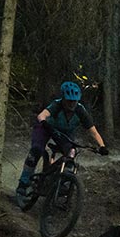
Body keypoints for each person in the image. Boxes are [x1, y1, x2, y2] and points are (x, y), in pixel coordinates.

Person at [16, 81, 107, 211]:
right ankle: (22, 185)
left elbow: (93, 131)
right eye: (69, 101)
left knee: (71, 154)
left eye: (74, 101)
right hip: (45, 129)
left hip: (64, 134)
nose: (72, 104)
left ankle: (61, 181)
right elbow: (42, 115)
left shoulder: (80, 110)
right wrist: (44, 122)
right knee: (36, 150)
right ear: (63, 99)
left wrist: (102, 146)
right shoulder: (57, 105)